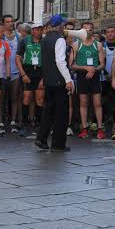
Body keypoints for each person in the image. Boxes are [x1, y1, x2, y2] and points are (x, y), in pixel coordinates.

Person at [35, 15, 74, 152]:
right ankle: (58, 143)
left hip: (49, 80)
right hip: (59, 81)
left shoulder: (44, 39)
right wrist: (68, 79)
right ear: (60, 26)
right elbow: (60, 61)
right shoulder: (60, 40)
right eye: (64, 25)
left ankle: (41, 138)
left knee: (49, 111)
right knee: (61, 114)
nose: (64, 27)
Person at [72, 26, 105, 138]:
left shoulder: (98, 45)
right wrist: (86, 68)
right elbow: (72, 64)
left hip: (95, 76)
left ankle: (100, 128)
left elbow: (102, 64)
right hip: (82, 75)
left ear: (93, 31)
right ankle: (84, 128)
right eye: (85, 30)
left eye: (90, 29)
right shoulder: (76, 45)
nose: (87, 32)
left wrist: (93, 70)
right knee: (83, 102)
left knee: (97, 103)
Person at [17, 23, 45, 135]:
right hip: (28, 70)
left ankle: (39, 124)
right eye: (35, 30)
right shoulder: (25, 41)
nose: (37, 32)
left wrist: (44, 77)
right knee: (26, 97)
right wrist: (23, 74)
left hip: (41, 71)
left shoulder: (45, 41)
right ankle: (24, 124)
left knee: (40, 98)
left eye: (40, 30)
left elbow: (49, 61)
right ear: (32, 31)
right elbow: (18, 58)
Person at [2, 15, 24, 134]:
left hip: (15, 71)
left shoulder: (18, 37)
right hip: (2, 72)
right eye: (8, 22)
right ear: (3, 24)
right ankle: (1, 122)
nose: (10, 24)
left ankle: (13, 121)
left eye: (12, 22)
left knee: (15, 97)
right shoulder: (1, 37)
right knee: (1, 99)